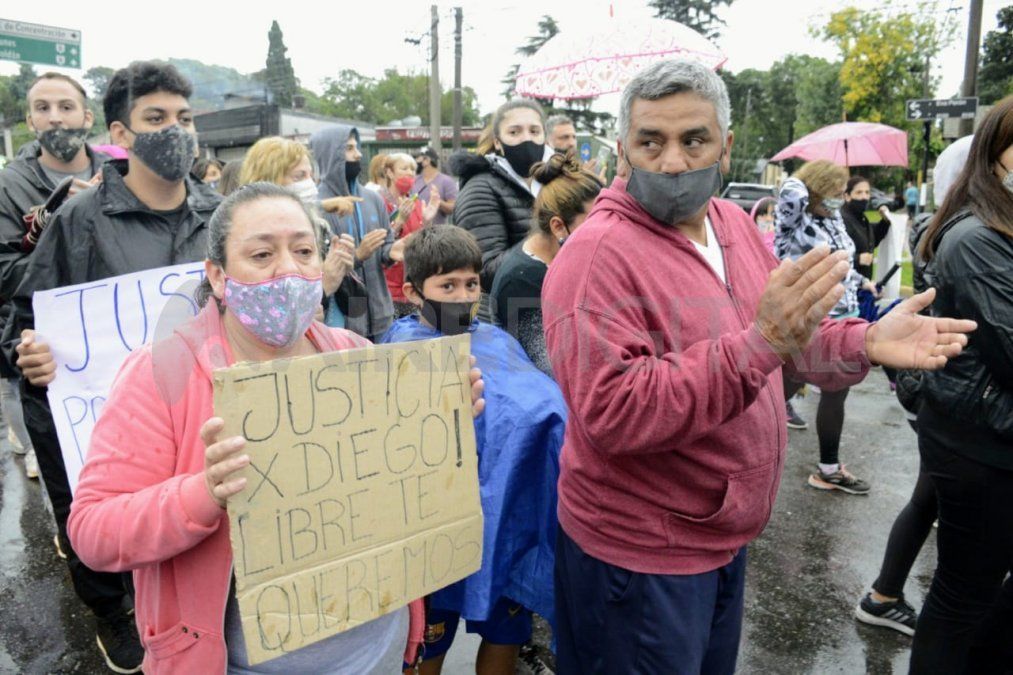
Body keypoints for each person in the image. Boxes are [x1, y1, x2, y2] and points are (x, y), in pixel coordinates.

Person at [541, 58, 975, 675]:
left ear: (726, 144)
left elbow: (785, 339)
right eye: (650, 142)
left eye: (694, 139)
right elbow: (616, 413)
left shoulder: (733, 224)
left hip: (719, 537)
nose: (671, 162)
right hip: (640, 558)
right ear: (621, 148)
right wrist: (761, 343)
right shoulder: (595, 258)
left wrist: (867, 341)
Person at [65, 183, 486, 674]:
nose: (288, 270)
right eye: (262, 254)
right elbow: (93, 532)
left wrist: (441, 428)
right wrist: (203, 493)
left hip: (379, 651)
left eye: (304, 251)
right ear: (219, 276)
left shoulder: (356, 353)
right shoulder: (161, 374)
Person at [6, 60, 222, 675]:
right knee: (101, 522)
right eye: (156, 119)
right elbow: (26, 319)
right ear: (120, 135)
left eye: (184, 118)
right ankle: (111, 613)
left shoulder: (220, 213)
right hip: (102, 421)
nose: (174, 130)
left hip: (195, 408)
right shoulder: (80, 220)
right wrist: (31, 353)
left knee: (186, 514)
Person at [382, 225, 564, 675]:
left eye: (471, 284)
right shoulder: (397, 352)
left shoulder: (497, 339)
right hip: (434, 535)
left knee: (505, 635)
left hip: (507, 525)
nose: (463, 297)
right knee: (427, 645)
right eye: (447, 286)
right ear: (412, 291)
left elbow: (539, 407)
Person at [908, 95, 1013, 674]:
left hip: (993, 435)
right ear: (994, 154)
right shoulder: (975, 237)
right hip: (978, 444)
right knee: (960, 596)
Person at [853, 133, 973, 637]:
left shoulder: (934, 227)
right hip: (947, 384)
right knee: (931, 497)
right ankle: (884, 595)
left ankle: (884, 594)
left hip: (939, 382)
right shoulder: (964, 236)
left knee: (929, 495)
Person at [0, 72, 109, 481]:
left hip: (109, 336)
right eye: (42, 109)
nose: (56, 118)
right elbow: (6, 272)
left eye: (66, 107)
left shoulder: (120, 173)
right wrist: (64, 223)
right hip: (43, 349)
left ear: (86, 115)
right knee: (66, 463)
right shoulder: (9, 185)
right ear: (30, 121)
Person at [775, 159, 881, 494]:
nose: (840, 198)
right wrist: (812, 182)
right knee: (781, 390)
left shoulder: (833, 217)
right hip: (807, 316)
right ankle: (739, 450)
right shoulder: (795, 218)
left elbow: (841, 261)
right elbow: (791, 190)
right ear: (817, 191)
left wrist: (862, 281)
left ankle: (829, 468)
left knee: (837, 389)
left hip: (843, 314)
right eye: (835, 192)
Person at [490, 151, 602, 374]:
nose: (603, 230)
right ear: (558, 226)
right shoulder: (521, 281)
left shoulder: (561, 259)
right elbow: (551, 367)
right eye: (594, 222)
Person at [451, 99, 552, 317]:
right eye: (515, 132)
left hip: (550, 306)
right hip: (504, 318)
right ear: (498, 142)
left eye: (535, 131)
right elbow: (484, 271)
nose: (527, 138)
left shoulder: (553, 183)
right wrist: (548, 237)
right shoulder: (480, 187)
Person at [237, 136, 358, 313]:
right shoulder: (247, 237)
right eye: (299, 176)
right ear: (268, 180)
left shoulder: (320, 228)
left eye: (311, 175)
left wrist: (348, 272)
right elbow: (263, 314)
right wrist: (322, 288)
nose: (309, 183)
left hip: (331, 335)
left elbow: (356, 310)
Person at [309, 125, 397, 341]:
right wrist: (358, 256)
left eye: (356, 147)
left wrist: (393, 250)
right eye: (349, 148)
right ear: (331, 155)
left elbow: (385, 248)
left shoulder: (373, 199)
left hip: (382, 314)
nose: (358, 154)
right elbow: (319, 268)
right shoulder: (316, 208)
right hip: (344, 321)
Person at [378, 153, 439, 317]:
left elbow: (422, 239)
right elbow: (379, 243)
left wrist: (427, 222)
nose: (410, 173)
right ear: (390, 172)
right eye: (404, 168)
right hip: (389, 287)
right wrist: (399, 221)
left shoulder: (416, 202)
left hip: (413, 284)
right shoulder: (379, 201)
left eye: (412, 169)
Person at [841, 175, 892, 281]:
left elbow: (872, 239)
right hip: (847, 285)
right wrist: (857, 259)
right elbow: (834, 253)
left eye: (867, 192)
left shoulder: (862, 218)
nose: (864, 197)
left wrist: (885, 221)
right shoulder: (842, 220)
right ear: (847, 196)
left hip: (864, 283)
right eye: (859, 192)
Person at [412, 147, 458, 225]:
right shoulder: (414, 180)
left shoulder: (446, 181)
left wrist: (438, 202)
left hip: (437, 232)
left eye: (417, 158)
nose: (415, 162)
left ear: (427, 160)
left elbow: (453, 208)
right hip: (415, 231)